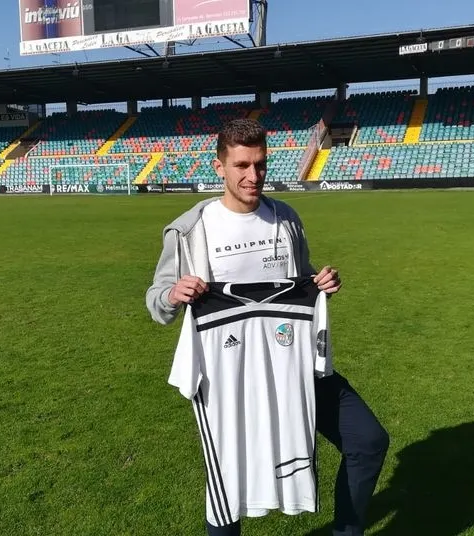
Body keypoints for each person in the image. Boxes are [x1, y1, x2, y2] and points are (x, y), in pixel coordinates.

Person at [144, 118, 389, 536]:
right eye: (242, 165)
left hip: (295, 363)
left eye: (260, 164)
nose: (253, 176)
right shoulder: (189, 230)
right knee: (228, 480)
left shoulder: (285, 218)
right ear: (220, 167)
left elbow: (301, 280)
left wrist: (322, 284)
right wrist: (172, 294)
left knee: (368, 440)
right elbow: (157, 302)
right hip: (229, 374)